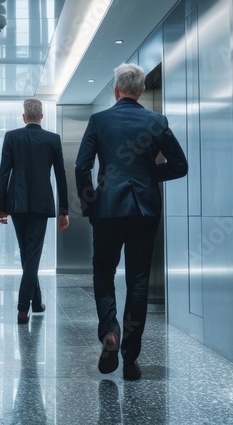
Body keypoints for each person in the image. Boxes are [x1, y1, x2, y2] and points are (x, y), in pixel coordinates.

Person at [75, 63, 188, 381]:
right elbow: (179, 165)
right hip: (144, 210)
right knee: (138, 281)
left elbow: (81, 165)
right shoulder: (156, 120)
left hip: (108, 208)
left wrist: (89, 202)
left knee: (104, 272)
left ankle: (109, 330)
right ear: (139, 91)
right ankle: (131, 357)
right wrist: (150, 175)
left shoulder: (100, 120)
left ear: (116, 90)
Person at [0, 99, 70, 324]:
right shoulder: (52, 139)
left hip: (17, 203)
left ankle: (34, 303)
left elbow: (4, 173)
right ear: (42, 116)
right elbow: (61, 176)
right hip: (41, 203)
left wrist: (1, 206)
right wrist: (63, 210)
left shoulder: (12, 136)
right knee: (33, 253)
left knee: (28, 253)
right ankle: (24, 307)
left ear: (24, 117)